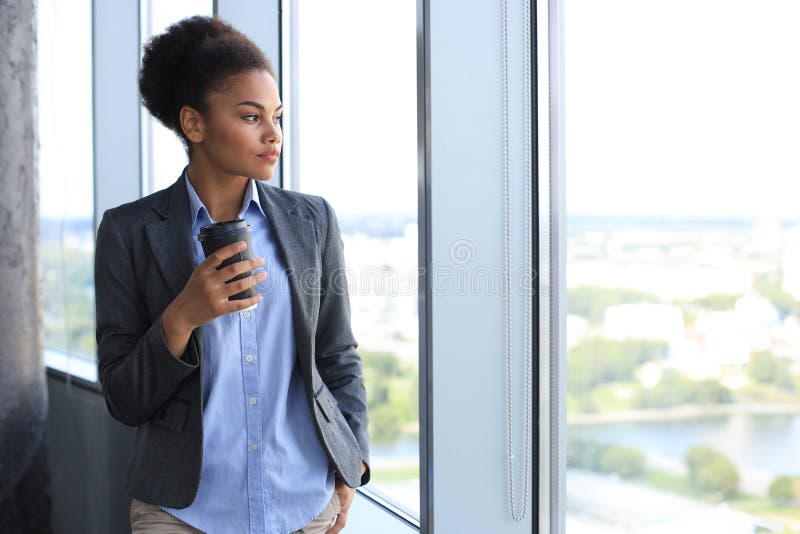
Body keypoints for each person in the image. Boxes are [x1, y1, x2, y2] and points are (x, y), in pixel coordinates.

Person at [94, 16, 369, 534]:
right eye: (250, 117)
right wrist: (181, 318)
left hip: (303, 505)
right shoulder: (128, 231)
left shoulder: (312, 221)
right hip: (180, 513)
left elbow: (336, 354)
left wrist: (350, 463)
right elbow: (123, 398)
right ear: (194, 125)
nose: (274, 135)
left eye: (277, 117)